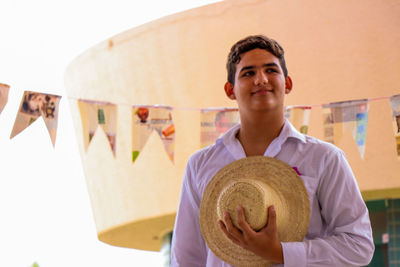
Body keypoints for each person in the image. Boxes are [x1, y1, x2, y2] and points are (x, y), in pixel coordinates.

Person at [171, 35, 374, 266]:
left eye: (271, 70)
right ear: (230, 90)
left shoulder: (325, 158)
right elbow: (186, 257)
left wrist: (282, 252)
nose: (261, 80)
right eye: (248, 73)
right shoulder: (200, 164)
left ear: (287, 83)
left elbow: (359, 245)